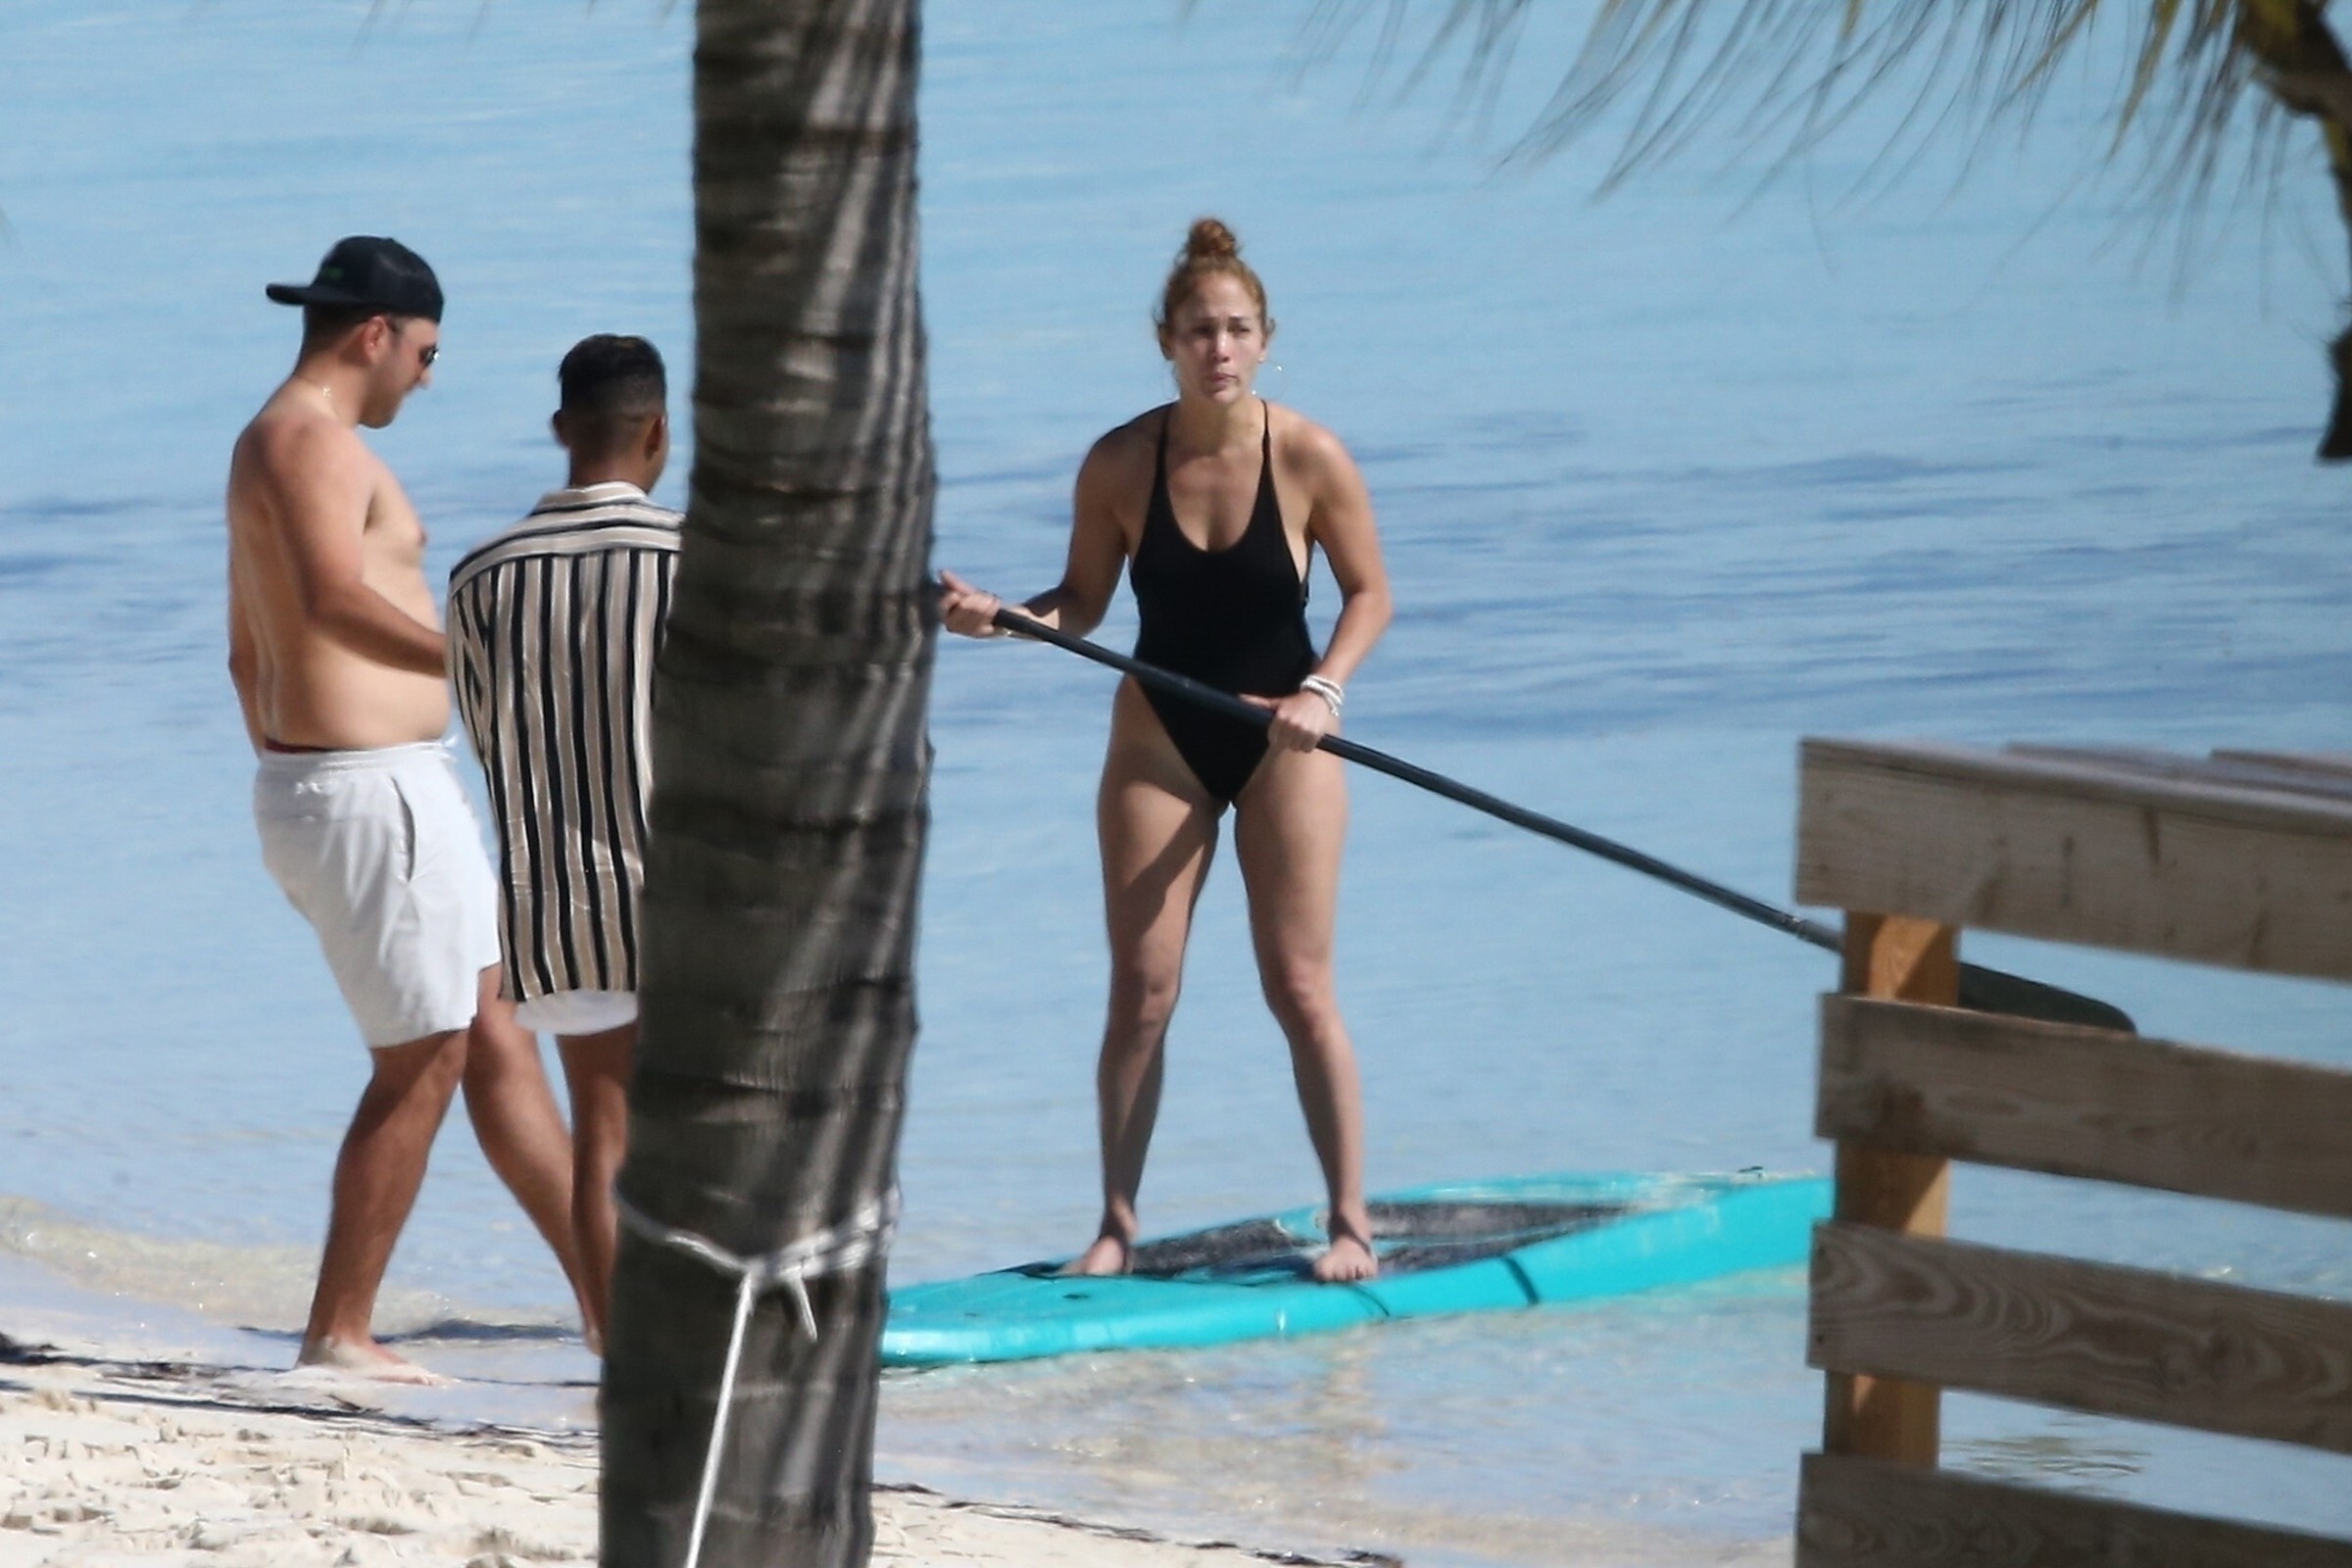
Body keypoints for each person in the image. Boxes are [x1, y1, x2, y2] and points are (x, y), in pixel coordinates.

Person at [940, 218, 1395, 1283]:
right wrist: (1001, 620)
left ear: (1266, 339)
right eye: (1199, 331)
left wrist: (1324, 690)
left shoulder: (1310, 456)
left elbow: (1371, 593)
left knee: (1300, 988)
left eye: (1236, 330)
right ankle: (1115, 1226)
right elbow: (1082, 604)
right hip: (1161, 741)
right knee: (1142, 991)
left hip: (1285, 742)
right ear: (1166, 342)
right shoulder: (1120, 462)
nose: (1218, 349)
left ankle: (1351, 1223)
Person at [227, 237, 588, 1380]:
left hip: (369, 783)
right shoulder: (310, 442)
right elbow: (332, 600)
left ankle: (617, 1304)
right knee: (425, 1057)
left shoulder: (277, 443)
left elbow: (246, 651)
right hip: (372, 791)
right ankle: (339, 1329)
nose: (427, 378)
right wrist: (490, 661)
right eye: (427, 354)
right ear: (376, 334)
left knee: (497, 1038)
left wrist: (298, 758)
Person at [447, 334, 681, 1351]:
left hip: (558, 899)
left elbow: (485, 730)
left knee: (604, 1134)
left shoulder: (478, 577)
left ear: (560, 430)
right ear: (659, 431)